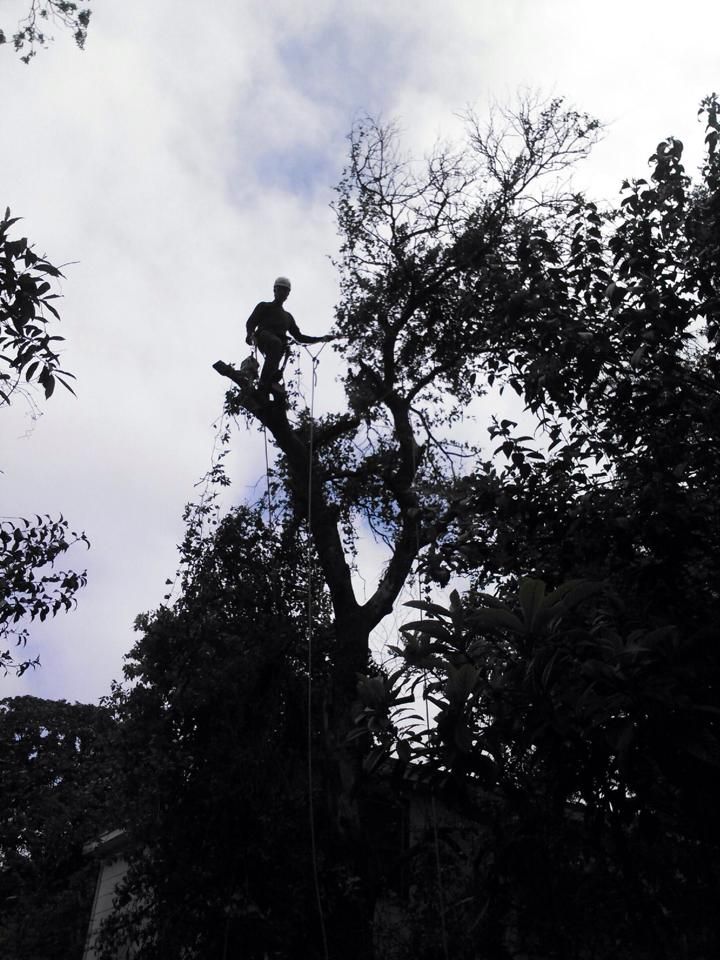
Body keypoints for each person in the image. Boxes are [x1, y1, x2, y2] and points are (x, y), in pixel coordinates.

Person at [246, 276, 334, 398]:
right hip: (264, 337)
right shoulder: (264, 306)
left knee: (275, 361)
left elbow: (299, 336)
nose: (282, 293)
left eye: (285, 291)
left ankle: (267, 387)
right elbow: (251, 322)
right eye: (280, 289)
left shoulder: (288, 317)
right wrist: (250, 335)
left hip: (278, 347)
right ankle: (263, 384)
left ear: (288, 294)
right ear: (274, 290)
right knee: (276, 344)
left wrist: (321, 338)